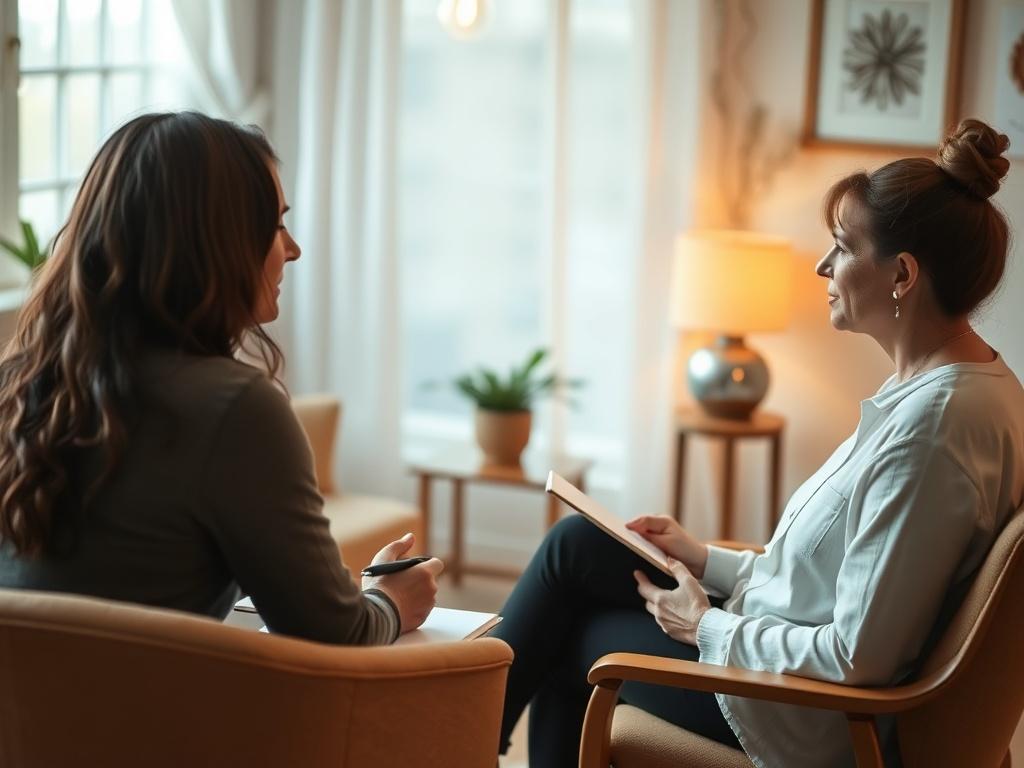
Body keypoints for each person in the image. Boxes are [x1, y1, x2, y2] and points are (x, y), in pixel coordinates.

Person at [492, 118, 1024, 767]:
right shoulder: (939, 391)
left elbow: (856, 655)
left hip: (800, 711)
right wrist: (704, 558)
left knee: (580, 638)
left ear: (902, 275)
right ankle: (461, 737)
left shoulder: (936, 428)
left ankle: (453, 739)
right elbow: (824, 576)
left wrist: (704, 625)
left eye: (843, 246)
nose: (824, 265)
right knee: (576, 545)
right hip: (772, 645)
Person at [0, 112, 442, 645]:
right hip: (156, 724)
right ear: (217, 240)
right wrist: (391, 602)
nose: (293, 248)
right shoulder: (233, 410)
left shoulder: (18, 383)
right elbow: (334, 633)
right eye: (276, 224)